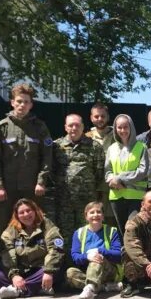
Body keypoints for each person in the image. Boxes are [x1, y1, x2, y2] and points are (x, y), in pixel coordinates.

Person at [0, 83, 53, 264]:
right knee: (5, 226)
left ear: (31, 104)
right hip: (8, 190)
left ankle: (33, 264)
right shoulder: (1, 128)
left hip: (32, 189)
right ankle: (1, 267)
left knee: (34, 226)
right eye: (19, 101)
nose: (22, 105)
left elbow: (46, 157)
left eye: (26, 102)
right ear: (12, 102)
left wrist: (41, 181)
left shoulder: (40, 128)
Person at [53, 113, 104, 264]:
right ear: (65, 127)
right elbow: (51, 171)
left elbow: (99, 172)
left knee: (87, 233)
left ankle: (86, 266)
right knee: (64, 235)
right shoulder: (57, 146)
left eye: (77, 125)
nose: (74, 128)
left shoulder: (94, 146)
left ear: (83, 127)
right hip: (64, 201)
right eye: (70, 125)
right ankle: (66, 267)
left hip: (87, 201)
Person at [0, 198, 64, 299]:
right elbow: (7, 254)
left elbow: (56, 249)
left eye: (29, 211)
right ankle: (36, 287)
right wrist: (14, 275)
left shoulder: (46, 225)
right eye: (21, 212)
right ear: (17, 216)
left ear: (35, 211)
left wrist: (48, 271)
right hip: (22, 270)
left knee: (58, 270)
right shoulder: (12, 230)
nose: (26, 214)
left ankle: (17, 291)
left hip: (41, 269)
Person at [66, 201, 123, 299]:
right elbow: (75, 256)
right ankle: (105, 287)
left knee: (96, 258)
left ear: (103, 216)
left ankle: (90, 289)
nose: (95, 215)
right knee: (70, 273)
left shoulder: (112, 231)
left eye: (99, 212)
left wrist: (100, 250)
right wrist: (87, 256)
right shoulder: (78, 233)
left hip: (108, 271)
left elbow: (118, 255)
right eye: (92, 212)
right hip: (87, 270)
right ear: (86, 216)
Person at [105, 114, 149, 229]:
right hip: (116, 196)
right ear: (115, 129)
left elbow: (143, 171)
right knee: (120, 230)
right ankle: (123, 248)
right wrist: (111, 179)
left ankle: (132, 248)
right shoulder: (112, 148)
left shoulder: (141, 147)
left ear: (131, 128)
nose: (122, 130)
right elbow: (107, 170)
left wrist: (120, 179)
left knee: (132, 229)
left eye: (126, 127)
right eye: (119, 127)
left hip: (136, 196)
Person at [85, 102, 116, 227]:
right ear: (91, 118)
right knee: (93, 218)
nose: (100, 119)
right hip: (92, 187)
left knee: (111, 220)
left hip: (112, 186)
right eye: (96, 116)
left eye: (103, 116)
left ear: (108, 117)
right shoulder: (86, 137)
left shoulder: (117, 135)